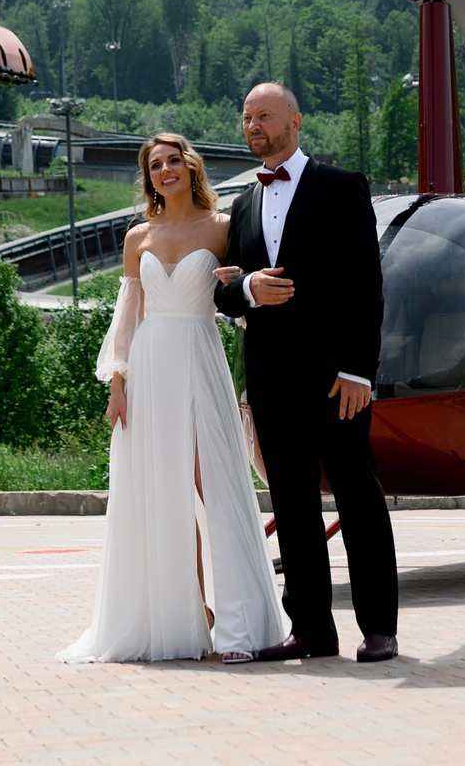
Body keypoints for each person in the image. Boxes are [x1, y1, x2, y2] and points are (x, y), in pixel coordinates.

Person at [62, 133, 287, 665]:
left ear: (190, 166)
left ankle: (239, 625)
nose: (165, 170)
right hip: (148, 368)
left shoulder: (225, 227)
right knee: (161, 493)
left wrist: (240, 286)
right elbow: (127, 316)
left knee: (218, 486)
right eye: (155, 165)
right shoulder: (138, 236)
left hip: (200, 356)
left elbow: (239, 299)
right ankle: (186, 618)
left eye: (173, 160)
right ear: (149, 178)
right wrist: (117, 383)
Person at [211, 83, 399, 663]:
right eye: (247, 117)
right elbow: (225, 293)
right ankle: (312, 630)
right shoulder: (243, 204)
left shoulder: (342, 187)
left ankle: (379, 628)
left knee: (357, 498)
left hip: (336, 379)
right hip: (271, 380)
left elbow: (366, 285)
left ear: (295, 122)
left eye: (264, 116)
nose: (254, 126)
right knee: (292, 506)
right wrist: (248, 287)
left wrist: (359, 370)